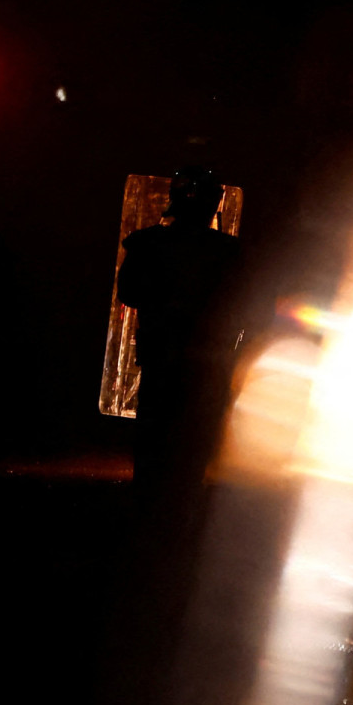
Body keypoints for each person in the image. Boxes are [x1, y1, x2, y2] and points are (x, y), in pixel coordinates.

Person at [116, 166, 245, 497]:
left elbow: (128, 292)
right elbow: (247, 306)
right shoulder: (228, 252)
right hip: (206, 361)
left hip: (163, 357)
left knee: (155, 441)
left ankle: (151, 506)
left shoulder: (148, 244)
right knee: (193, 443)